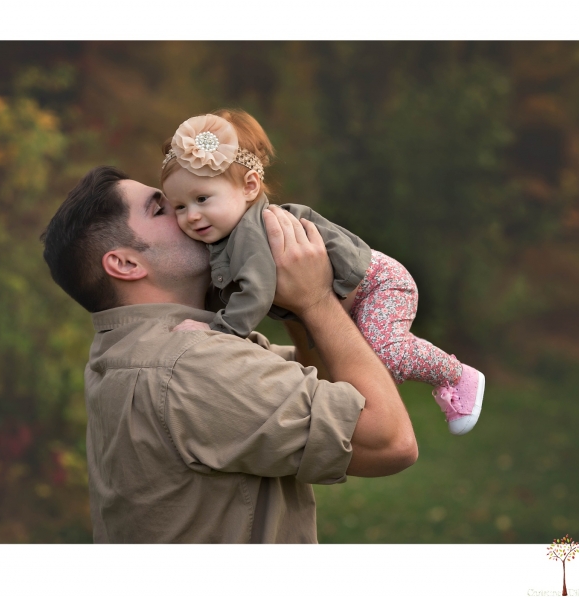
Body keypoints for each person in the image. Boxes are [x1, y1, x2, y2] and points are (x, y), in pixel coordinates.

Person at [40, 165, 417, 543]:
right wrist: (316, 299)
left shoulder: (123, 348)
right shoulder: (191, 365)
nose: (188, 211)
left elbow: (323, 385)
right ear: (126, 264)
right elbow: (390, 442)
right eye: (163, 209)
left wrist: (285, 292)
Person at [160, 109, 485, 435]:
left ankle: (457, 375)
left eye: (202, 199)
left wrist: (218, 332)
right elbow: (224, 292)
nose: (192, 216)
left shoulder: (252, 231)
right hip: (359, 290)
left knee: (385, 353)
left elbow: (255, 292)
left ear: (249, 187)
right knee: (361, 360)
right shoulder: (226, 237)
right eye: (180, 207)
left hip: (377, 283)